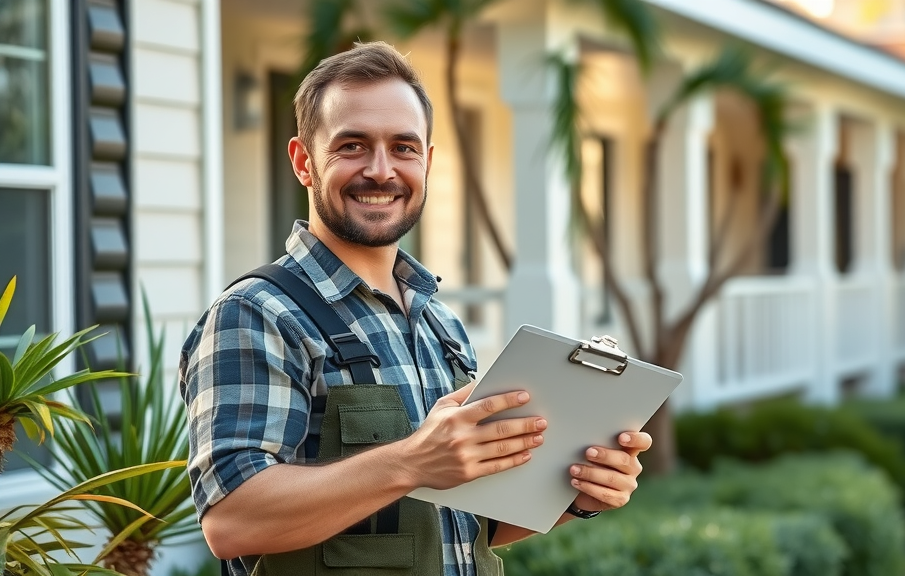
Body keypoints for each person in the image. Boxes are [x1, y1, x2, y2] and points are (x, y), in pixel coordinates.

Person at [179, 41, 651, 576]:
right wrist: (411, 461)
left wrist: (579, 493)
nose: (381, 171)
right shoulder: (257, 313)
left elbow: (462, 524)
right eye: (352, 146)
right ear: (303, 162)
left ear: (427, 161)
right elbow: (233, 520)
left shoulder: (438, 322)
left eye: (403, 147)